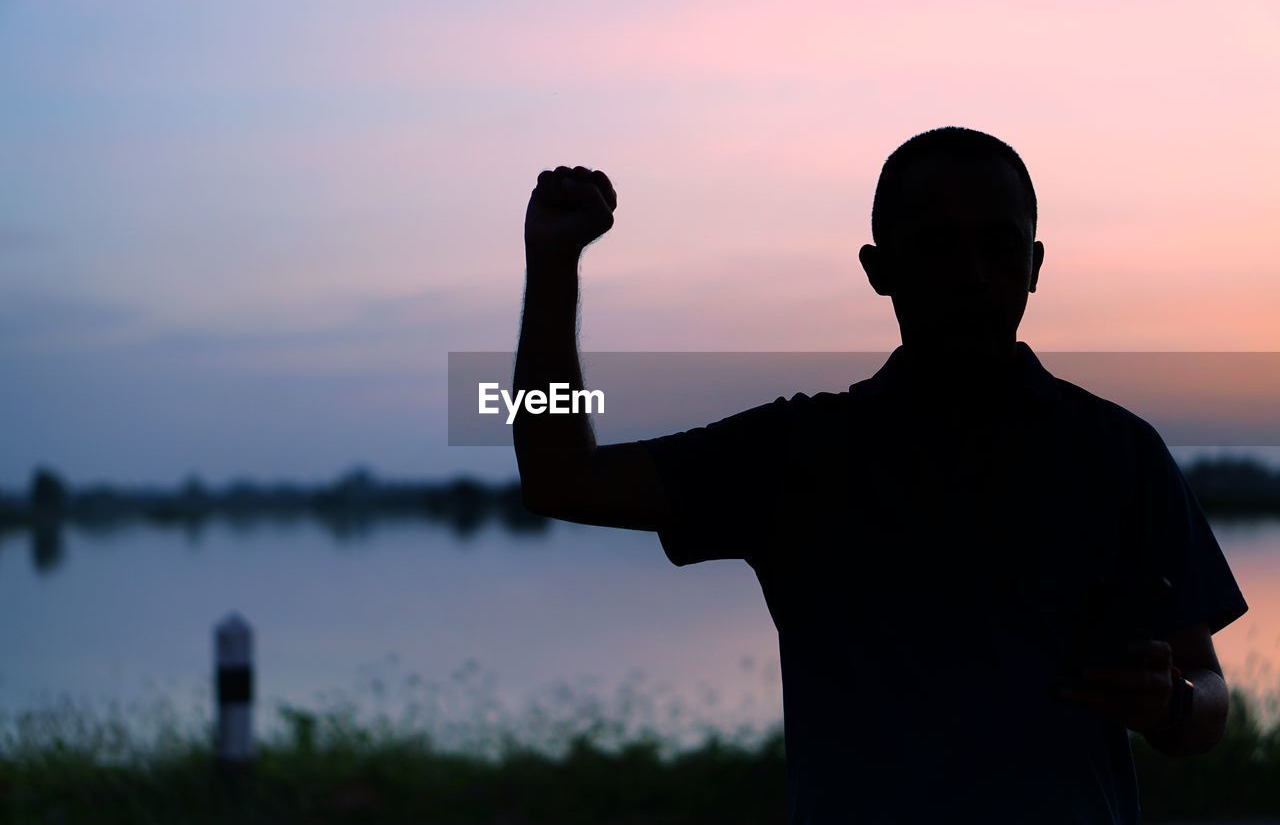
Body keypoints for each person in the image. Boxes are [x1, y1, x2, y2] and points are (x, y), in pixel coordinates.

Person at [512, 126, 1249, 824]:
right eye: (936, 248)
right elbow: (558, 476)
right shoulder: (795, 452)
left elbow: (1207, 700)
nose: (973, 276)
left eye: (999, 246)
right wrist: (551, 266)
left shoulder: (1119, 452)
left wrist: (1170, 702)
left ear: (1035, 263)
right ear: (878, 269)